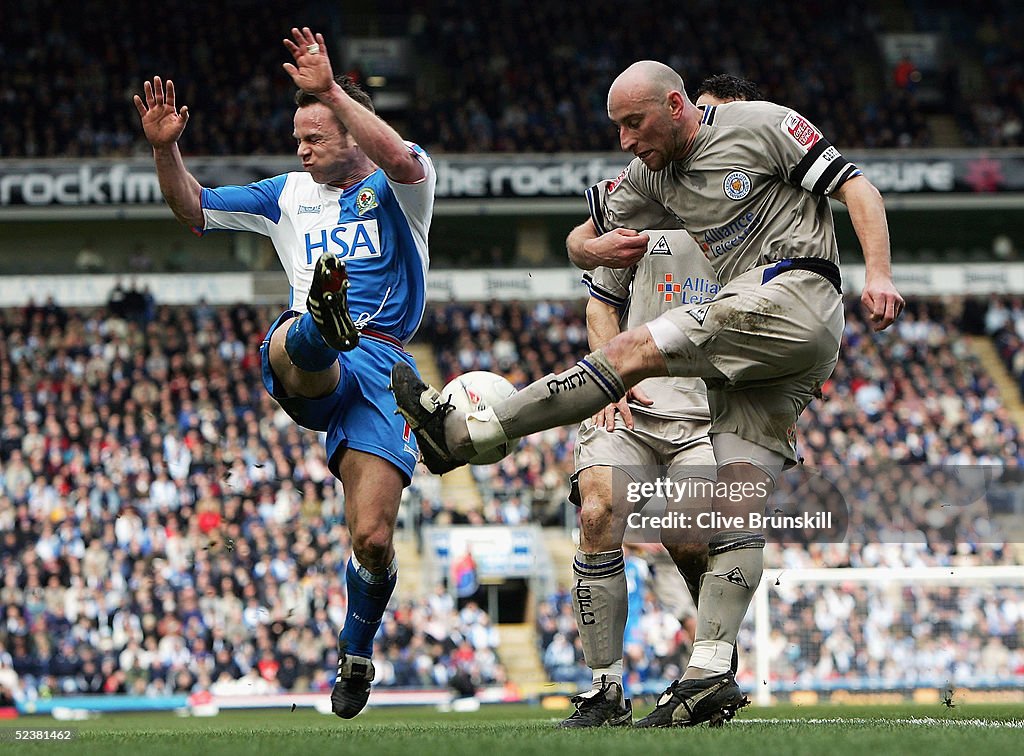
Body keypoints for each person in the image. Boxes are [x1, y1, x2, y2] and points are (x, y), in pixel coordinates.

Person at [393, 60, 902, 727]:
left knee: (632, 353)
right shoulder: (651, 180)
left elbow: (857, 187)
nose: (627, 140)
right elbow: (582, 236)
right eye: (619, 128)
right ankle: (709, 671)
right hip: (757, 360)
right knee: (734, 499)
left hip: (793, 296)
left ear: (678, 105)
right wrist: (597, 252)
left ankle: (462, 433)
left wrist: (880, 274)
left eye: (635, 123)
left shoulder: (767, 126)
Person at [134, 27, 436, 719]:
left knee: (373, 538)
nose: (300, 150)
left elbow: (400, 156)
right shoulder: (286, 195)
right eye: (297, 138)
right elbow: (195, 209)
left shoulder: (403, 186)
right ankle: (317, 326)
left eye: (314, 136)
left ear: (352, 131)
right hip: (312, 360)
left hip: (383, 365)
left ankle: (357, 654)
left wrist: (330, 87)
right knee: (303, 339)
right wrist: (164, 148)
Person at [559, 75, 763, 729]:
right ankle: (604, 687)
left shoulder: (766, 210)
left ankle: (711, 670)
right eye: (712, 119)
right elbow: (601, 298)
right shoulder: (645, 192)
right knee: (597, 509)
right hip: (634, 394)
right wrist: (611, 377)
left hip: (712, 409)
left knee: (685, 532)